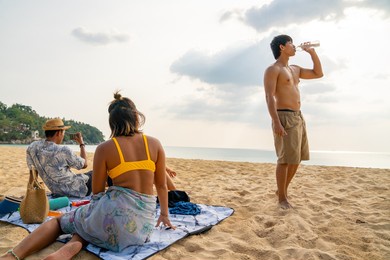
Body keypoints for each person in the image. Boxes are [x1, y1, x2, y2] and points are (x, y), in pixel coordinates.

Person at [1, 92, 175, 260]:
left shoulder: (105, 148)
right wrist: (164, 215)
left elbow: (97, 193)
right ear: (136, 117)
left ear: (112, 123)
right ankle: (77, 241)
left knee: (63, 222)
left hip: (110, 219)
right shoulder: (155, 143)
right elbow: (161, 186)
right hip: (140, 231)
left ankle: (13, 255)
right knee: (91, 223)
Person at [263, 35, 323, 209]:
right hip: (283, 116)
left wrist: (312, 53)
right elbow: (269, 97)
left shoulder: (294, 69)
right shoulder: (273, 70)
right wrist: (276, 121)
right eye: (291, 43)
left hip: (298, 116)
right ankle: (282, 197)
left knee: (296, 159)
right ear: (282, 47)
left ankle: (281, 190)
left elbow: (318, 73)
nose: (294, 46)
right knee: (284, 160)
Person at [26, 118, 92, 198]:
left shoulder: (32, 147)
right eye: (63, 132)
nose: (63, 135)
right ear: (58, 133)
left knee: (84, 175)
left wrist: (30, 195)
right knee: (97, 172)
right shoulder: (63, 150)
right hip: (79, 190)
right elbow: (84, 164)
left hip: (57, 192)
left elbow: (33, 174)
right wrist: (81, 144)